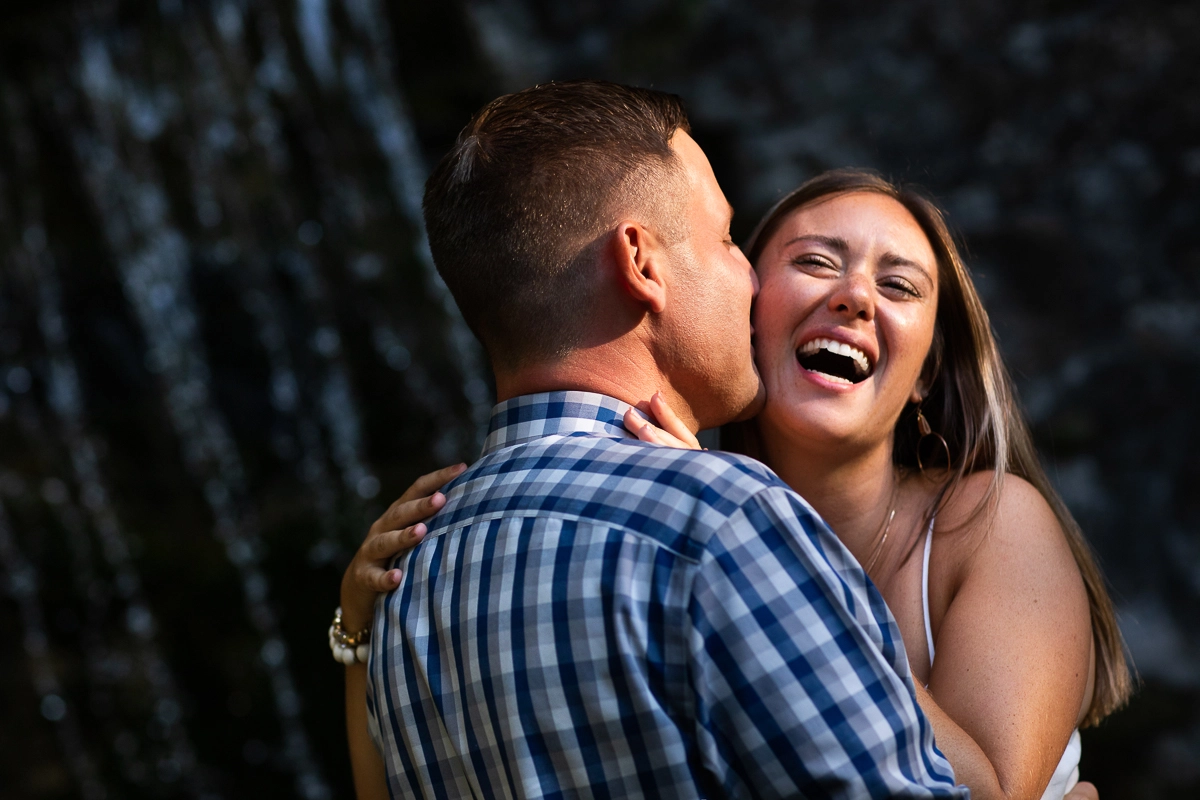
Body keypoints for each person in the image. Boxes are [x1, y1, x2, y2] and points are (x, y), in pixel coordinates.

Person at [346, 169, 1133, 799]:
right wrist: (355, 634)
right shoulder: (687, 533)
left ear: (927, 374)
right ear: (747, 312)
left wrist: (771, 536)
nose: (855, 295)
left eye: (898, 287)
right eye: (816, 262)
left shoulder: (989, 519)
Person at [335, 80, 967, 798]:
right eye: (727, 239)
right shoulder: (723, 519)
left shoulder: (401, 581)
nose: (750, 280)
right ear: (642, 262)